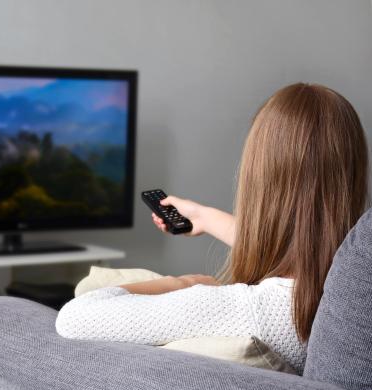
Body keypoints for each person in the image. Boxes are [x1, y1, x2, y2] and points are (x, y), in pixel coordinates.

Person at [55, 83, 369, 374]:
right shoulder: (352, 286)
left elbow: (74, 318)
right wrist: (204, 218)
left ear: (256, 178)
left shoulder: (242, 309)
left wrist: (182, 283)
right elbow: (299, 246)